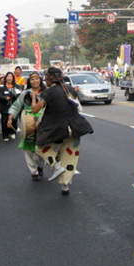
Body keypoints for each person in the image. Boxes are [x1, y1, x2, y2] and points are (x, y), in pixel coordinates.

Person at [31, 67, 93, 195]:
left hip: (56, 130)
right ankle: (65, 186)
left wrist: (33, 98)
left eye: (46, 77)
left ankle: (57, 166)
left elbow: (35, 110)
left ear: (50, 78)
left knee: (40, 148)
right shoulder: (69, 90)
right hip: (74, 128)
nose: (45, 80)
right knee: (70, 156)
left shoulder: (48, 93)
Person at [7, 72, 46, 180]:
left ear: (40, 80)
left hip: (43, 122)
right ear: (29, 81)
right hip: (27, 122)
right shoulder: (25, 94)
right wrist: (10, 118)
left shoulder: (46, 93)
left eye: (37, 78)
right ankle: (33, 172)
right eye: (32, 79)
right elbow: (16, 106)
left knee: (40, 147)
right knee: (28, 148)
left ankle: (40, 165)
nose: (35, 81)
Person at [0, 72, 20, 142]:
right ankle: (5, 135)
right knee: (4, 121)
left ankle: (13, 132)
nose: (9, 78)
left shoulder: (16, 86)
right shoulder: (1, 87)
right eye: (8, 76)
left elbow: (19, 95)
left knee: (14, 120)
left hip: (14, 106)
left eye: (11, 76)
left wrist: (13, 95)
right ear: (5, 78)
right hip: (4, 106)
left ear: (13, 78)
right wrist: (5, 98)